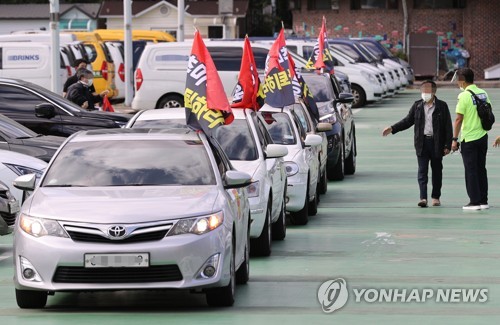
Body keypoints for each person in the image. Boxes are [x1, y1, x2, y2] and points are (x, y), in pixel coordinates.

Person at [382, 80, 453, 207]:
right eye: (423, 91)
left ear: (434, 92)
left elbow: (448, 127)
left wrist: (447, 145)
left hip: (437, 143)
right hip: (422, 143)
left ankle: (436, 197)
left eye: (427, 90)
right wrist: (392, 128)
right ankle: (423, 198)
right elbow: (407, 121)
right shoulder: (417, 106)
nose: (424, 93)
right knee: (422, 171)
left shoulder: (442, 106)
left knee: (437, 171)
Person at [451, 68, 491, 210]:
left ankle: (474, 202)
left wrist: (454, 139)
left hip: (469, 138)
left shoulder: (464, 96)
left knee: (471, 170)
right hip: (482, 136)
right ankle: (483, 200)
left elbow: (458, 119)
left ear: (462, 81)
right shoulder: (483, 93)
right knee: (481, 168)